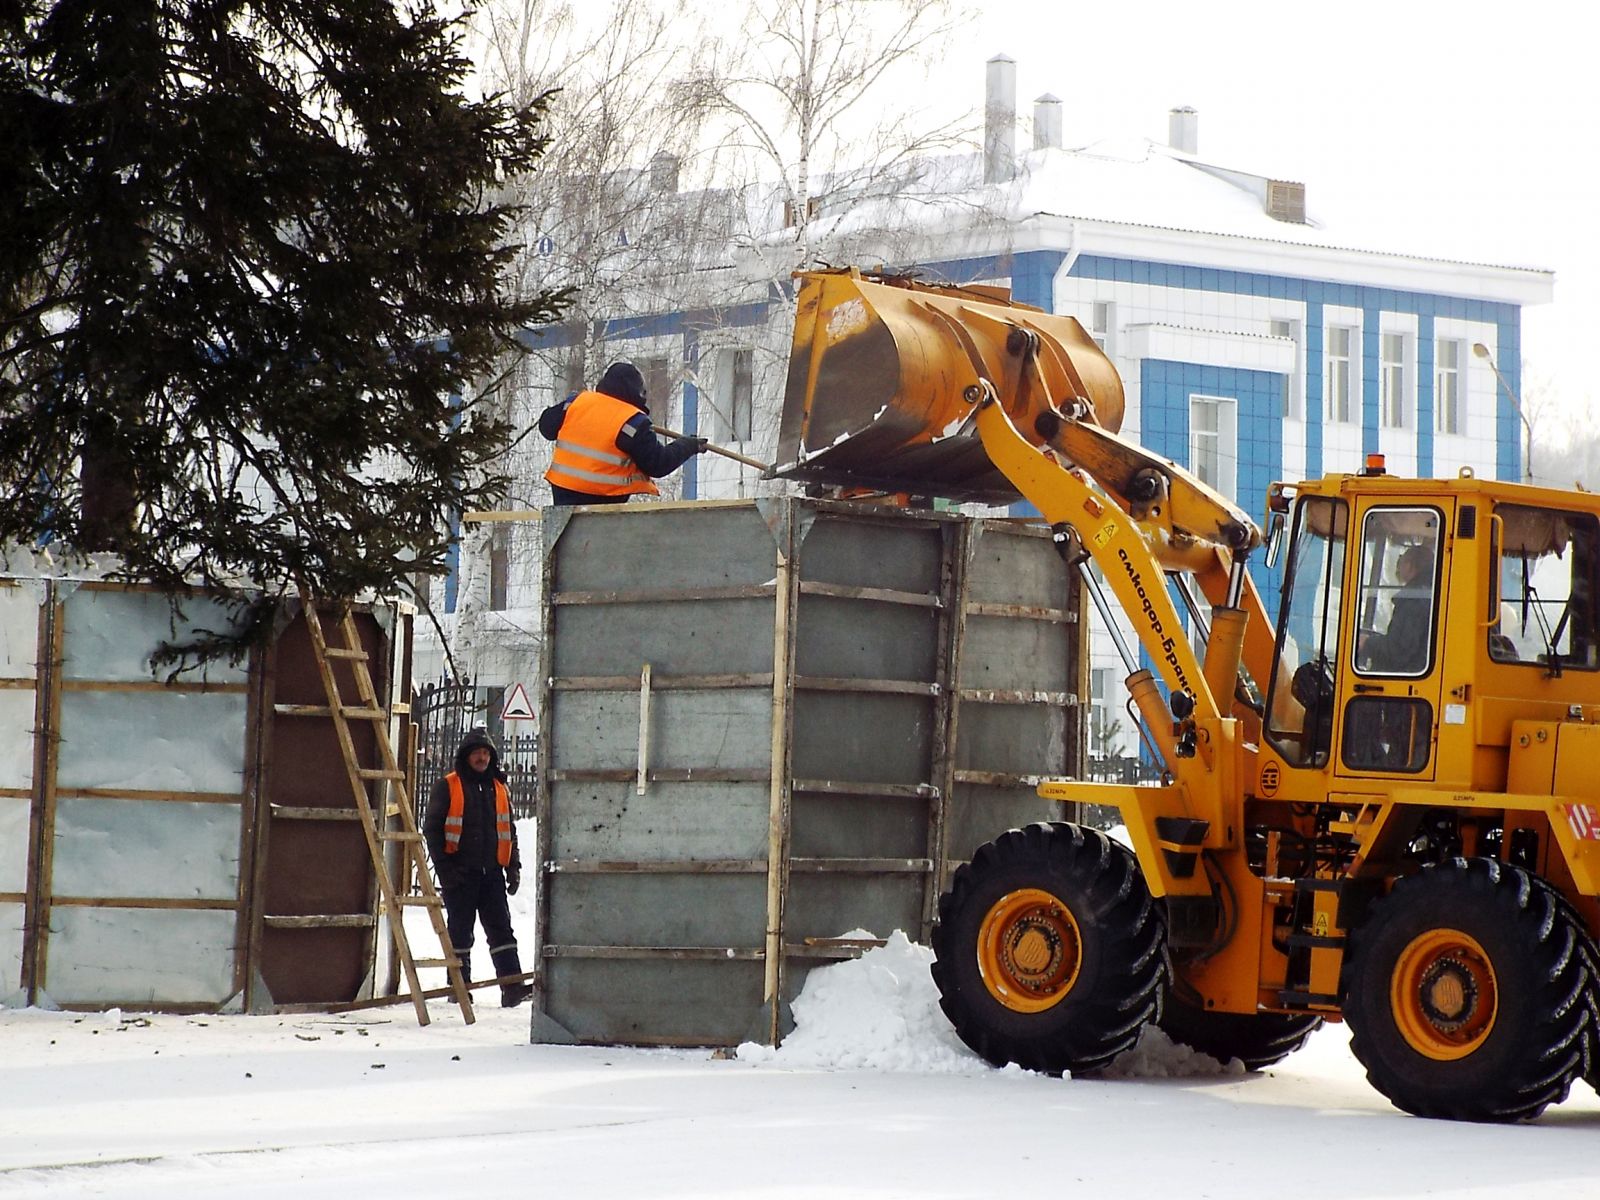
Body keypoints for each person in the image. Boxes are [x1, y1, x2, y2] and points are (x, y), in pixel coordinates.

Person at [424, 728, 532, 1007]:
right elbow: (432, 830)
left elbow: (509, 830)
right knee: (460, 933)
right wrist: (445, 869)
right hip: (460, 875)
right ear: (467, 756)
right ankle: (459, 988)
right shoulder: (448, 786)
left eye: (486, 753)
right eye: (477, 753)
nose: (482, 758)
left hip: (492, 874)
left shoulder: (499, 787)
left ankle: (512, 987)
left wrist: (513, 867)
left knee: (502, 932)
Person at [540, 361, 708, 505]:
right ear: (637, 392)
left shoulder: (576, 403)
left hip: (563, 500)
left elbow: (546, 428)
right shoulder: (633, 422)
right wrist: (688, 445)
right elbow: (658, 464)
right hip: (603, 505)